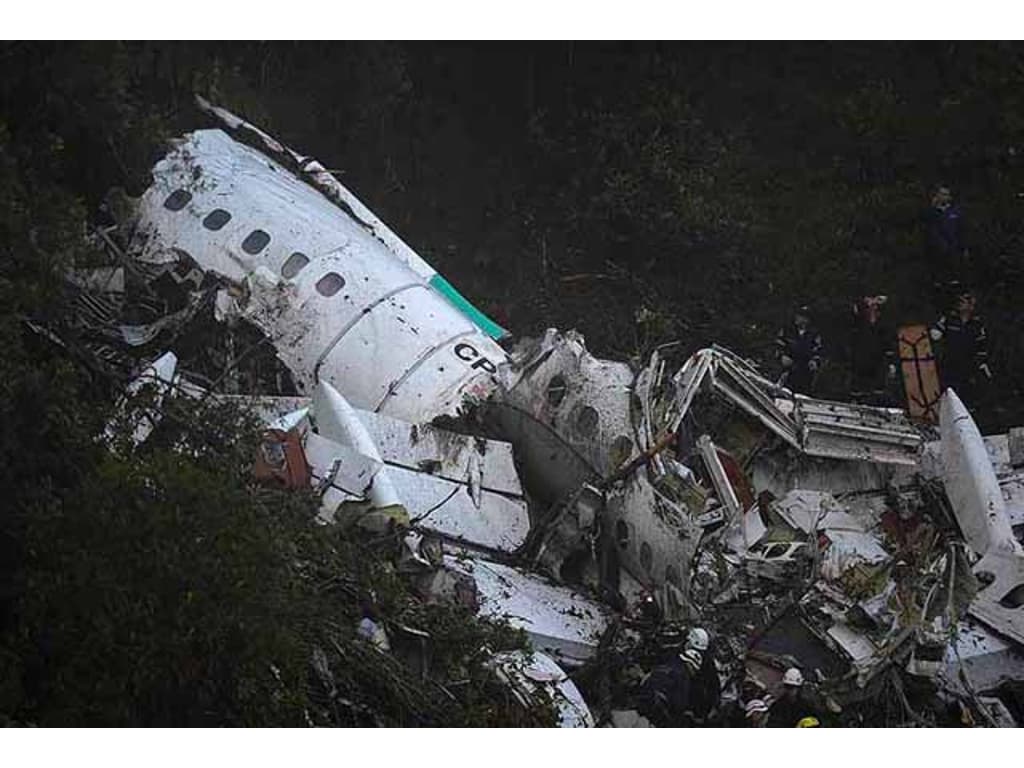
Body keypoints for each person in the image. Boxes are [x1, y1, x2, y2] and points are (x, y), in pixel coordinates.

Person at [929, 289, 992, 406]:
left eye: (965, 302)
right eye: (960, 301)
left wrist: (982, 363)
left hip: (968, 364)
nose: (961, 304)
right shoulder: (949, 318)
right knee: (947, 390)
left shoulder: (976, 324)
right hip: (949, 361)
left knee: (966, 392)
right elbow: (935, 333)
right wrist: (935, 333)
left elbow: (981, 345)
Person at [848, 294, 897, 405]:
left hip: (879, 357)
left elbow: (888, 338)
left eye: (876, 305)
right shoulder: (860, 318)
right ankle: (858, 401)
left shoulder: (884, 319)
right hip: (861, 356)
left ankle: (876, 403)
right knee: (859, 384)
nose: (873, 306)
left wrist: (890, 360)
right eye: (872, 304)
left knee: (878, 386)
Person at [924, 184, 969, 284]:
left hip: (954, 251)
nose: (944, 197)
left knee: (955, 279)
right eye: (942, 194)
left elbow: (962, 230)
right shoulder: (931, 212)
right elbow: (930, 230)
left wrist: (963, 247)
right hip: (937, 252)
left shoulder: (956, 211)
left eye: (946, 194)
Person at [776, 306, 823, 395]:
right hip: (787, 369)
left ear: (807, 319)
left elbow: (818, 350)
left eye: (801, 316)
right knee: (784, 393)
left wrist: (814, 361)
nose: (798, 318)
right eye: (798, 315)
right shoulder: (787, 330)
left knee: (803, 394)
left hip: (805, 370)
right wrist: (782, 356)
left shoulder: (814, 333)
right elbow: (778, 345)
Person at [686, 627, 721, 724]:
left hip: (694, 709)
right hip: (702, 710)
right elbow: (715, 685)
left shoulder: (688, 660)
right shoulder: (708, 661)